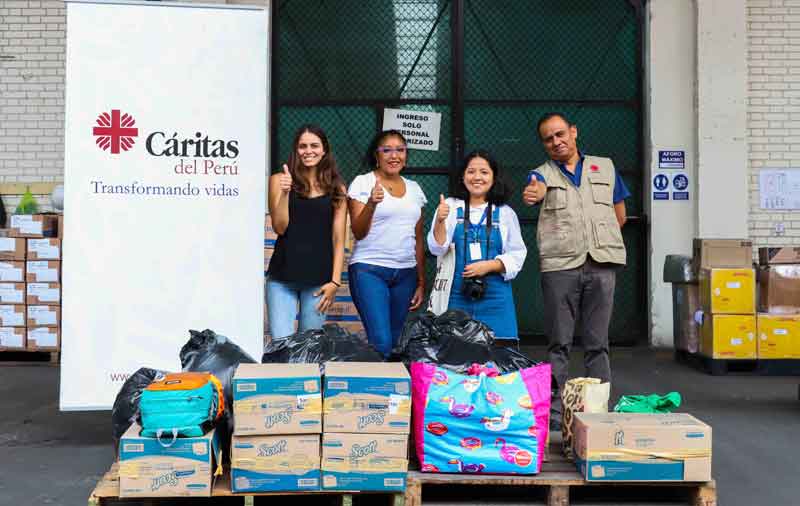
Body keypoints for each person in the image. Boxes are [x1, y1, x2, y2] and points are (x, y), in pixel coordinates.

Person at [522, 112, 629, 429]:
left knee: (598, 343)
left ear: (573, 132)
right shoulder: (540, 174)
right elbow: (535, 189)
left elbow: (618, 215)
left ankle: (598, 411)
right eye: (548, 139)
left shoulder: (605, 167)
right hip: (560, 267)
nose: (556, 142)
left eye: (560, 134)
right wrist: (536, 193)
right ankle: (556, 414)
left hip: (601, 264)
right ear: (544, 145)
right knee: (559, 343)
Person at [427, 150, 527, 340]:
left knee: (497, 352)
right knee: (454, 351)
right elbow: (437, 248)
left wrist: (489, 266)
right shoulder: (450, 205)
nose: (477, 177)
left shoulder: (505, 213)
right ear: (463, 176)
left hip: (495, 296)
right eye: (471, 171)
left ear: (494, 177)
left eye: (484, 172)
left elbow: (517, 255)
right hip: (456, 294)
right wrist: (440, 220)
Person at [347, 130, 427, 358]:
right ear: (377, 155)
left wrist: (421, 281)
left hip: (405, 274)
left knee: (394, 344)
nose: (394, 156)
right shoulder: (363, 183)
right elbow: (359, 232)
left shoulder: (415, 189)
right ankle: (374, 392)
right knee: (380, 341)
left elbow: (418, 238)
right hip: (369, 270)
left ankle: (389, 392)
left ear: (406, 155)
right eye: (387, 150)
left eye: (400, 150)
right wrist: (372, 203)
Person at [266, 124, 347, 339]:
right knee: (281, 345)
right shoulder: (278, 180)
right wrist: (285, 193)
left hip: (319, 281)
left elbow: (339, 238)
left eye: (314, 145)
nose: (308, 151)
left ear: (324, 149)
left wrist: (335, 282)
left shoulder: (337, 187)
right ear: (296, 149)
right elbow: (279, 227)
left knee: (308, 349)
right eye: (302, 146)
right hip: (282, 278)